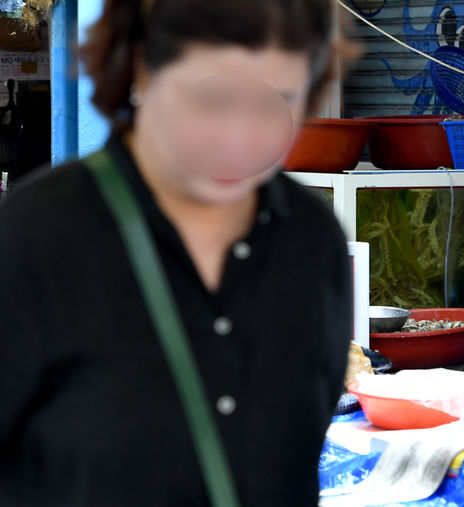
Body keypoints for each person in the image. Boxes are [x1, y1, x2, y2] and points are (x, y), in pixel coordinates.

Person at [0, 0, 353, 505]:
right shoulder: (38, 236)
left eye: (276, 99)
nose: (238, 137)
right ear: (142, 68)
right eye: (211, 100)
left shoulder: (311, 239)